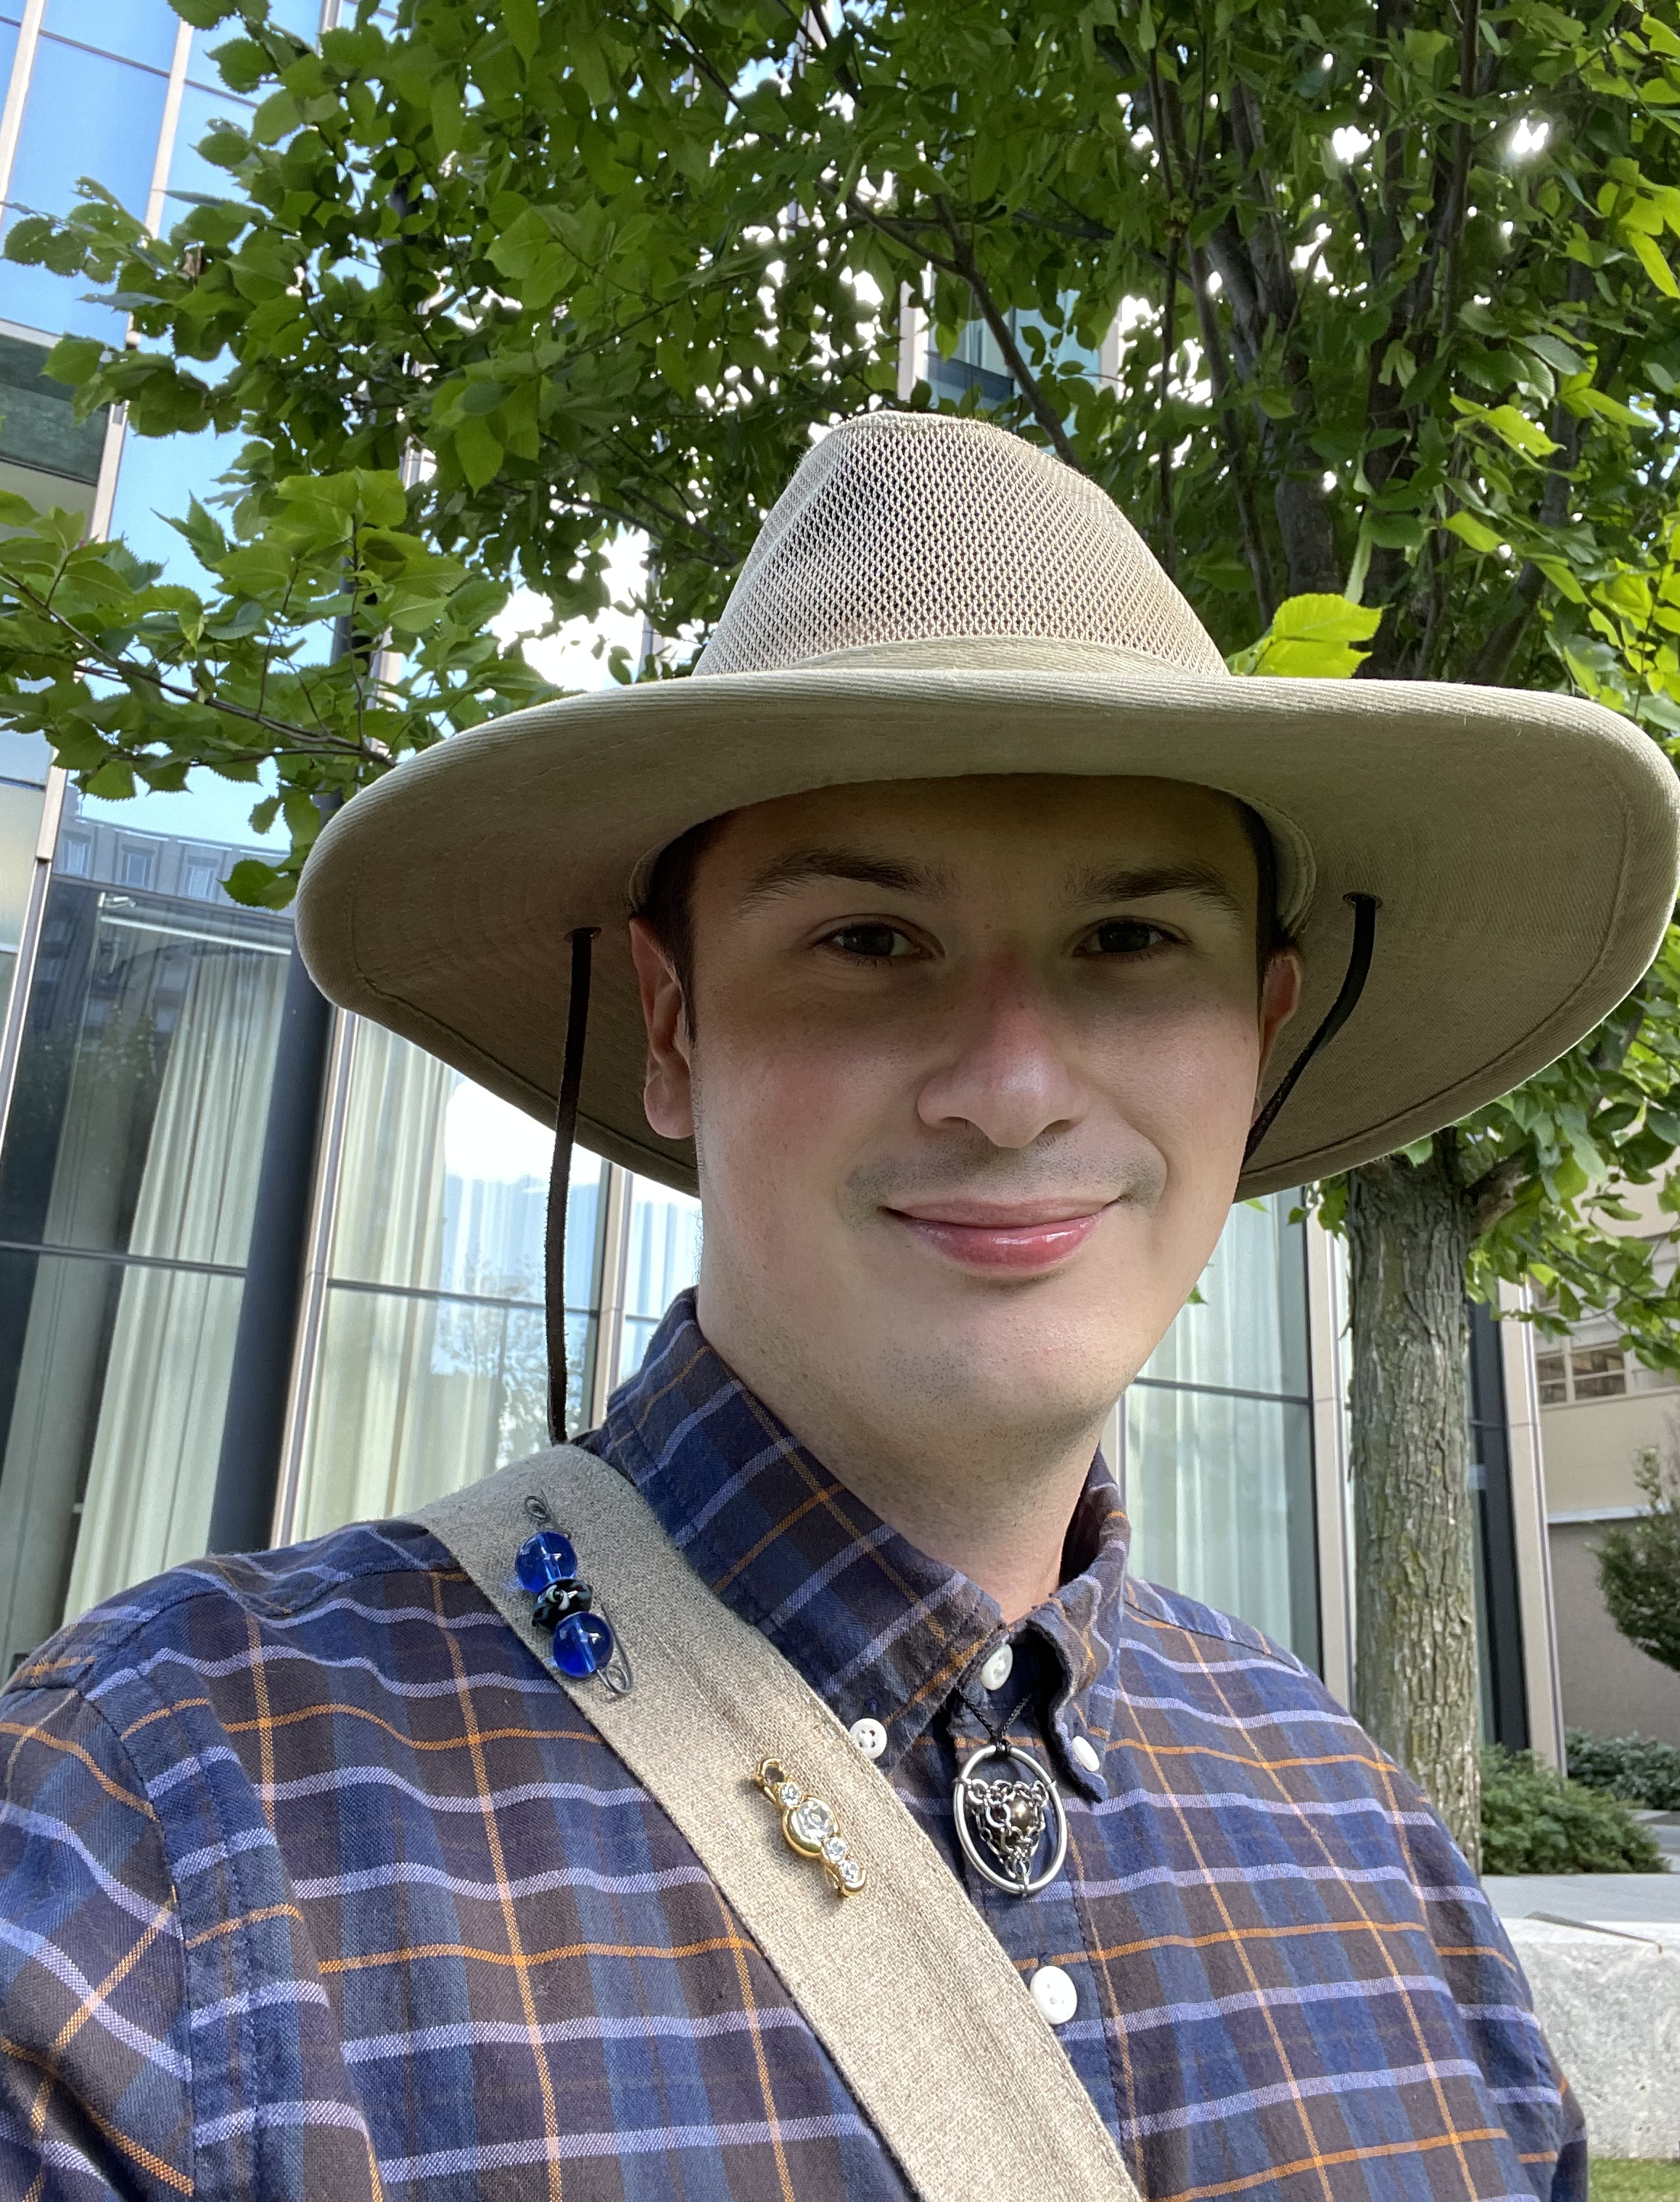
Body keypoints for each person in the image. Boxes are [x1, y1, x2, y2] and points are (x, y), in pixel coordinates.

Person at [3, 411, 1674, 2201]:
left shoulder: (1367, 1837)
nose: (1015, 1085)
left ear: (1256, 1039)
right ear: (672, 1024)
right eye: (869, 942)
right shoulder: (169, 1823)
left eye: (1130, 944)